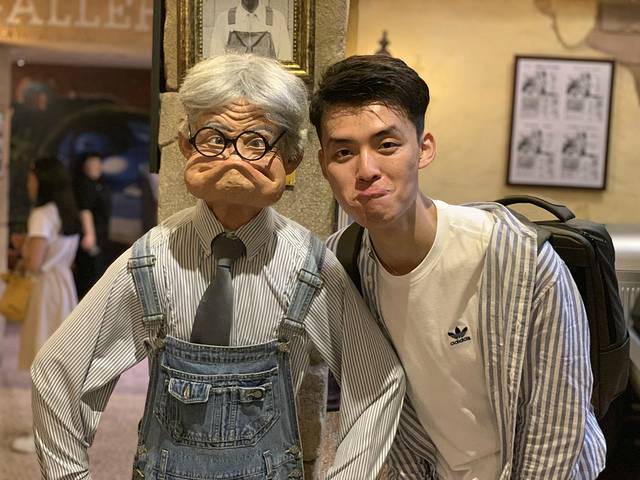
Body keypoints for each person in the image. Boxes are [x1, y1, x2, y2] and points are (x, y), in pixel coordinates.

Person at [30, 54, 404, 479]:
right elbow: (59, 371)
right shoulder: (151, 259)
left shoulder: (309, 265)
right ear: (186, 144)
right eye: (214, 138)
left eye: (257, 142)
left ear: (293, 157)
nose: (233, 158)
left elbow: (379, 382)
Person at [310, 55, 607, 479]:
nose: (367, 170)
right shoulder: (343, 264)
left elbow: (558, 425)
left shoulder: (518, 258)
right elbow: (390, 412)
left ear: (424, 149)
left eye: (387, 145)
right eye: (344, 152)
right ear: (324, 165)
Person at [11, 156, 81, 454]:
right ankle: (57, 431)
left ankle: (41, 435)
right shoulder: (66, 212)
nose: (29, 182)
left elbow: (33, 262)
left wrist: (23, 249)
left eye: (31, 176)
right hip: (64, 286)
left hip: (45, 290)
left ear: (41, 179)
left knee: (42, 360)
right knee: (58, 362)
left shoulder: (41, 214)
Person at [72, 152, 111, 299]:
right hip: (91, 238)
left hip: (101, 235)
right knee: (90, 274)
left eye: (98, 164)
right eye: (92, 165)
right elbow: (85, 210)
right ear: (84, 167)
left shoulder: (100, 184)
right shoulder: (83, 185)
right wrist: (89, 234)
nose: (96, 167)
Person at [209, 0, 292, 60]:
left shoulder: (277, 19)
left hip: (267, 79)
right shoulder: (223, 19)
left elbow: (285, 62)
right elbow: (215, 64)